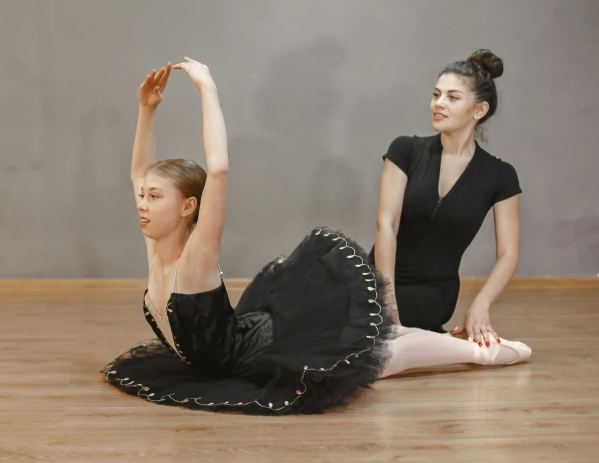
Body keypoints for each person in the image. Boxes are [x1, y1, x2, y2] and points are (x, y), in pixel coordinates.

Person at [102, 58, 531, 415]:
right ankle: (451, 339)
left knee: (374, 357)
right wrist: (147, 108)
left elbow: (217, 169)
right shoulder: (156, 243)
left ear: (187, 207)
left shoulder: (196, 253)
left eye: (153, 197)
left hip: (262, 349)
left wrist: (208, 90)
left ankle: (489, 352)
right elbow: (139, 172)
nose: (141, 203)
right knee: (378, 338)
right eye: (143, 196)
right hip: (263, 328)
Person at [370, 49, 522, 347]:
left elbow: (509, 253)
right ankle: (444, 348)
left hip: (432, 293)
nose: (438, 104)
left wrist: (480, 304)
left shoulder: (500, 175)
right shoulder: (405, 150)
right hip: (376, 284)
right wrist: (385, 302)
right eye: (436, 94)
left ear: (479, 110)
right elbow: (386, 224)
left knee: (373, 347)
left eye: (452, 97)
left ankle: (455, 349)